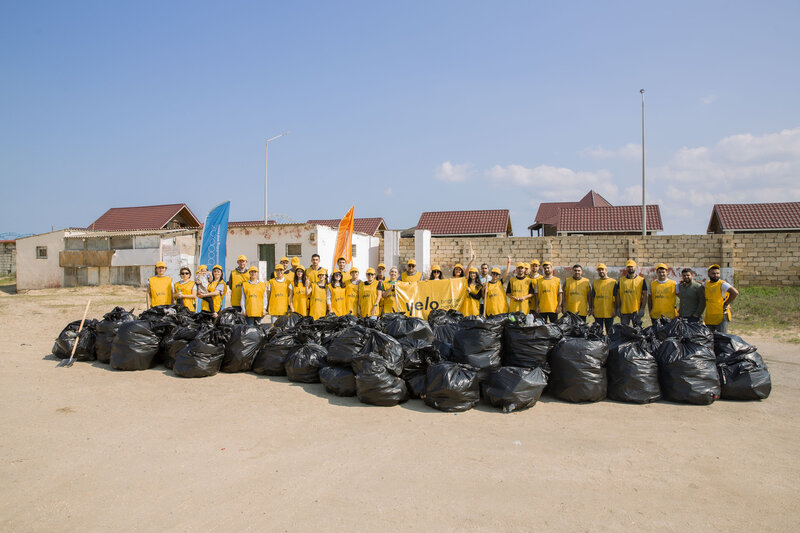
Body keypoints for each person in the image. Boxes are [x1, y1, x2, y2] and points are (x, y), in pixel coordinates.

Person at [704, 264, 738, 333]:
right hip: (710, 316)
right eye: (713, 273)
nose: (716, 275)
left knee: (723, 337)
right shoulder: (706, 284)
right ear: (708, 274)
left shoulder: (722, 284)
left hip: (721, 315)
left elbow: (735, 293)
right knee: (709, 338)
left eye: (717, 273)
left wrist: (726, 303)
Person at [618, 260, 648, 326]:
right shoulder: (621, 280)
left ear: (635, 267)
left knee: (637, 332)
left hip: (636, 311)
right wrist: (618, 308)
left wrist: (642, 308)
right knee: (624, 331)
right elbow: (618, 295)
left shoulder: (641, 280)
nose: (630, 268)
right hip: (624, 311)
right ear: (626, 268)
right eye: (628, 267)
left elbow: (645, 295)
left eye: (632, 266)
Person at [590, 263, 617, 334]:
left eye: (602, 269)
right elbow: (593, 296)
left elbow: (616, 296)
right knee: (598, 332)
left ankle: (609, 344)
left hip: (609, 311)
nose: (601, 271)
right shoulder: (595, 282)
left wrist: (615, 309)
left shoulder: (613, 282)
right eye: (599, 270)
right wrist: (592, 308)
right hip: (598, 311)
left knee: (609, 332)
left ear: (606, 271)